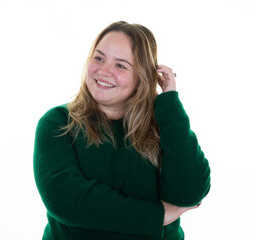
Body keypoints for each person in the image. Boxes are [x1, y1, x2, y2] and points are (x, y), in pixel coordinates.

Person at [33, 21, 211, 240]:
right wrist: (157, 216)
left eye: (121, 65)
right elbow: (66, 199)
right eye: (98, 58)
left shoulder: (164, 125)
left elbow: (189, 193)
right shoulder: (59, 123)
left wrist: (169, 103)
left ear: (142, 77)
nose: (104, 71)